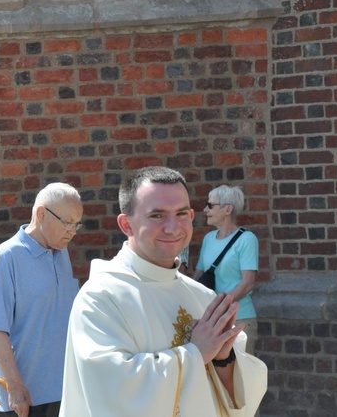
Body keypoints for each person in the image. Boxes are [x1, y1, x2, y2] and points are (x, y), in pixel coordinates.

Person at [60, 167, 267, 416]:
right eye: (157, 215)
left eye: (181, 214)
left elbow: (239, 401)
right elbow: (112, 391)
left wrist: (223, 358)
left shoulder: (202, 296)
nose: (173, 227)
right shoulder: (100, 298)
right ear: (127, 224)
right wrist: (196, 354)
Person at [0, 182, 82, 417]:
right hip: (24, 398)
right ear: (41, 214)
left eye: (76, 224)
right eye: (67, 223)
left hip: (62, 390)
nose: (72, 231)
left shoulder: (62, 252)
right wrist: (14, 386)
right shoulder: (7, 255)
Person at [193, 185, 259, 354]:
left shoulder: (246, 239)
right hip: (211, 321)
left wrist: (221, 308)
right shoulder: (208, 239)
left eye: (210, 205)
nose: (205, 209)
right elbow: (199, 275)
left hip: (239, 318)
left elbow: (247, 283)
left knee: (241, 375)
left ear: (227, 209)